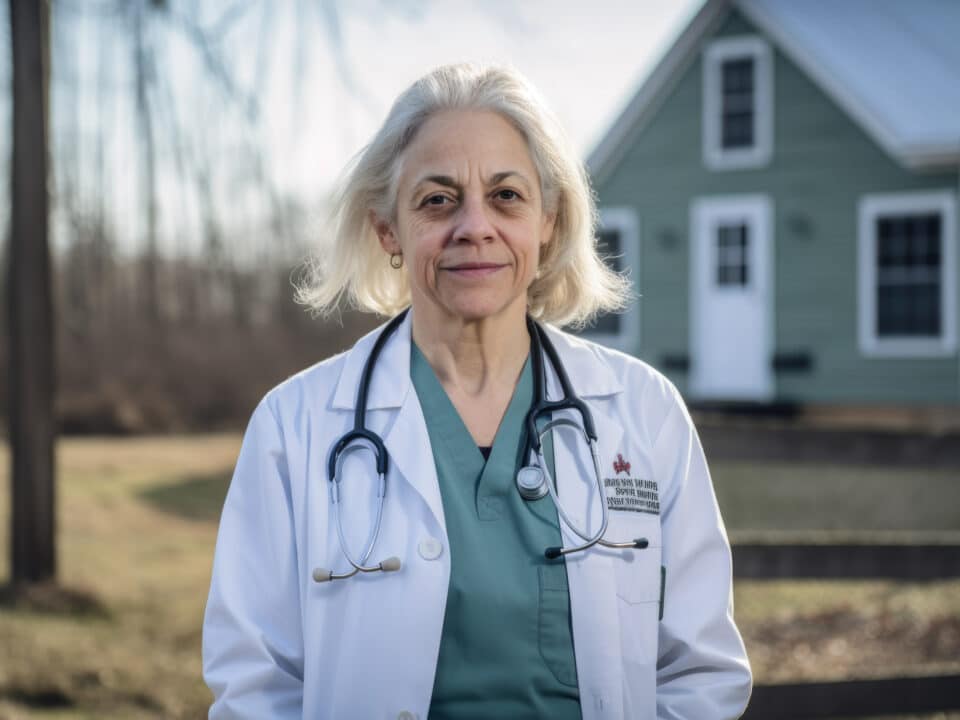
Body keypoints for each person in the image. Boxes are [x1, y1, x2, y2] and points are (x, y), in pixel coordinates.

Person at [202, 63, 752, 719]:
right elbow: (255, 688)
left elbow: (701, 674)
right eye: (437, 199)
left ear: (548, 221)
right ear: (388, 231)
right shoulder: (294, 427)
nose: (474, 226)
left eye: (506, 196)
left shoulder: (643, 412)